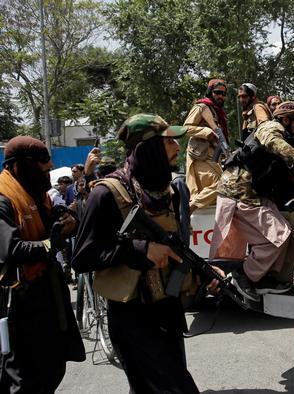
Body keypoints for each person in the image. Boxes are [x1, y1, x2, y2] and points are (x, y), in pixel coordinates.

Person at [72, 114, 219, 393]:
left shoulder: (169, 191)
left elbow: (178, 249)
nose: (178, 147)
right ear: (148, 148)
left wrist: (205, 273)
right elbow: (83, 256)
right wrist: (141, 250)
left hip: (167, 310)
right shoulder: (106, 194)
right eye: (169, 142)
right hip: (132, 318)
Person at [0, 136, 85, 392]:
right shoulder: (4, 197)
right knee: (24, 377)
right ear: (21, 166)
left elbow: (50, 225)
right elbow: (10, 249)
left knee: (53, 363)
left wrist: (66, 220)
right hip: (18, 299)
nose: (47, 176)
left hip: (47, 293)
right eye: (43, 169)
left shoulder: (34, 192)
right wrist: (51, 244)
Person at [211, 102, 294, 301]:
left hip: (252, 193)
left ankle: (263, 276)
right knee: (278, 237)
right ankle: (245, 275)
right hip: (239, 192)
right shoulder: (271, 127)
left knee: (283, 233)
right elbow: (272, 141)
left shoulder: (285, 134)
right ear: (286, 120)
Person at [183, 78, 228, 213]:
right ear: (210, 92)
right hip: (200, 157)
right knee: (223, 184)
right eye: (217, 92)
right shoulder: (201, 107)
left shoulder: (218, 113)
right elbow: (186, 128)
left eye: (223, 94)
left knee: (218, 193)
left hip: (213, 157)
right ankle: (191, 207)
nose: (221, 96)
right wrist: (206, 131)